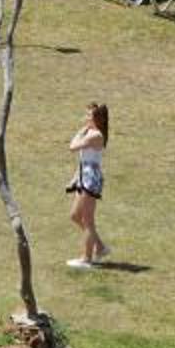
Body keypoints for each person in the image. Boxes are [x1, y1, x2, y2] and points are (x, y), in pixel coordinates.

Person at [67, 101, 111, 269]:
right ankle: (100, 247)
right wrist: (75, 178)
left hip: (91, 178)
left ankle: (86, 259)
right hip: (83, 175)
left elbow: (72, 147)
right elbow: (83, 158)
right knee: (75, 216)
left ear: (97, 119)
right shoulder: (90, 132)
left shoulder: (96, 135)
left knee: (87, 220)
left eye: (89, 115)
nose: (85, 117)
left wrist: (80, 131)